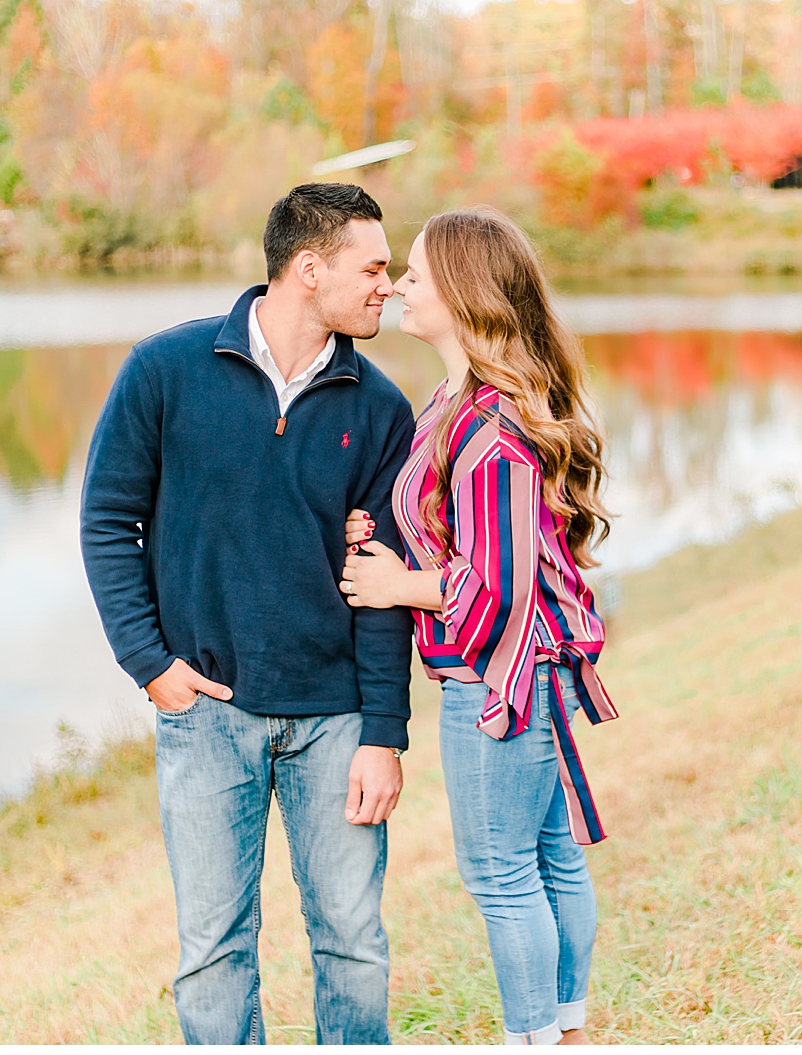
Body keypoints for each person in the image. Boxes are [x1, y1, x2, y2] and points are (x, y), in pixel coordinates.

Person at [79, 183, 416, 1045]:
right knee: (213, 952)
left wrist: (383, 729)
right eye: (374, 267)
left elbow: (382, 581)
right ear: (311, 269)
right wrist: (150, 666)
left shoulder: (379, 407)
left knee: (353, 944)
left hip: (336, 719)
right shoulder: (165, 370)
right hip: (207, 716)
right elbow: (109, 520)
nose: (390, 283)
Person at [338, 207, 617, 1046]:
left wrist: (396, 584)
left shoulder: (492, 429)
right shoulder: (455, 399)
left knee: (503, 874)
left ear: (461, 296)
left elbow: (496, 590)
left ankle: (533, 1035)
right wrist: (384, 530)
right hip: (525, 671)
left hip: (501, 678)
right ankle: (564, 1029)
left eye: (414, 276)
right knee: (548, 859)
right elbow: (466, 531)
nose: (396, 288)